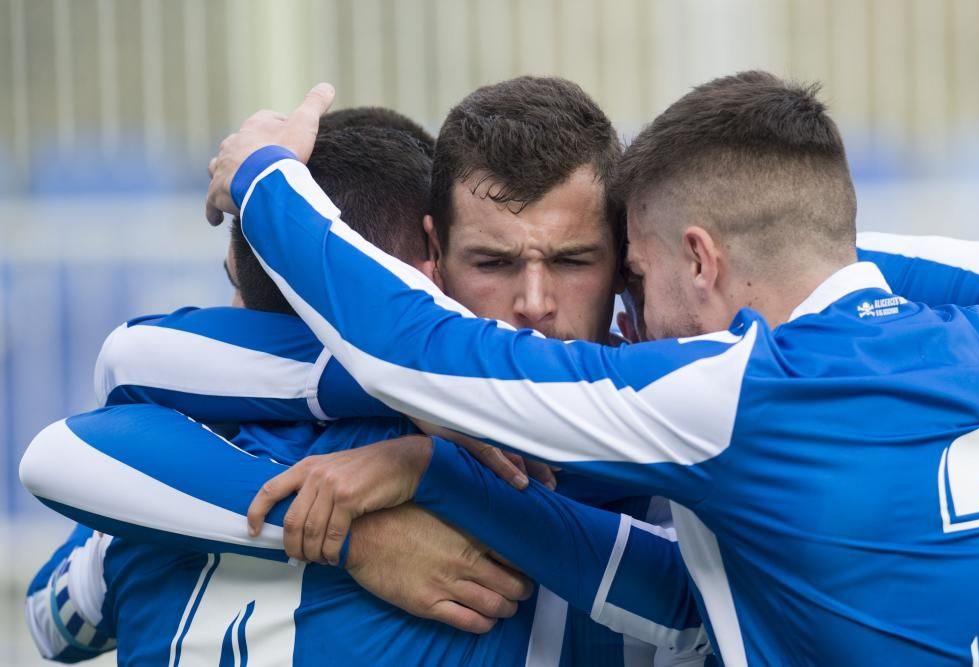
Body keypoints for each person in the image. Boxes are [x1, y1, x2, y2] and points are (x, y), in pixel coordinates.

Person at [191, 72, 979, 665]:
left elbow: (414, 351)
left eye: (631, 275)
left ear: (700, 259)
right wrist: (435, 469)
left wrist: (266, 178)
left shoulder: (726, 393)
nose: (633, 316)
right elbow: (689, 601)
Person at [24, 92, 708, 665]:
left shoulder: (158, 464)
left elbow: (54, 616)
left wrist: (428, 467)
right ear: (430, 266)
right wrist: (353, 532)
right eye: (493, 264)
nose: (533, 303)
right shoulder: (166, 453)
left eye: (572, 261)